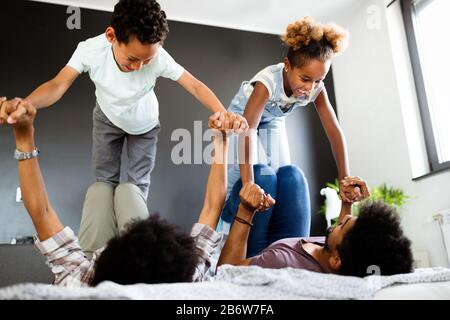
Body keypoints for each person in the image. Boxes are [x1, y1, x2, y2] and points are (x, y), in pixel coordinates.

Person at [0, 0, 247, 200]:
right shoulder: (90, 50)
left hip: (146, 125)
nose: (139, 67)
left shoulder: (159, 57)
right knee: (104, 184)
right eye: (132, 59)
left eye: (146, 61)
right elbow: (57, 84)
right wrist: (27, 104)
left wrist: (222, 113)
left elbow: (194, 84)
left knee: (138, 187)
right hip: (107, 119)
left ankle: (133, 242)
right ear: (111, 36)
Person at [1, 96, 237, 287]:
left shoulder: (81, 281)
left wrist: (24, 137)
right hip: (130, 265)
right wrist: (221, 140)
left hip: (100, 259)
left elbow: (41, 212)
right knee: (126, 189)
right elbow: (213, 206)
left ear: (101, 258)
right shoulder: (183, 277)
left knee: (102, 188)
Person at [219, 17, 352, 245]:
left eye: (319, 80)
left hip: (273, 120)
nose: (310, 88)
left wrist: (345, 179)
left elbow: (334, 132)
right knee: (241, 179)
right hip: (242, 120)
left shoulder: (315, 89)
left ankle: (275, 239)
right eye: (305, 79)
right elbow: (248, 130)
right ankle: (224, 222)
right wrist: (249, 184)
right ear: (288, 65)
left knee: (284, 176)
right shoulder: (267, 82)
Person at [218, 164, 414, 277]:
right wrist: (347, 200)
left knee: (262, 175)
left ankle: (228, 212)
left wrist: (245, 211)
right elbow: (347, 239)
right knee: (292, 175)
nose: (344, 217)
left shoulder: (279, 263)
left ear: (336, 260)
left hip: (259, 254)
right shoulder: (343, 256)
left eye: (344, 223)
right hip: (294, 245)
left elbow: (225, 273)